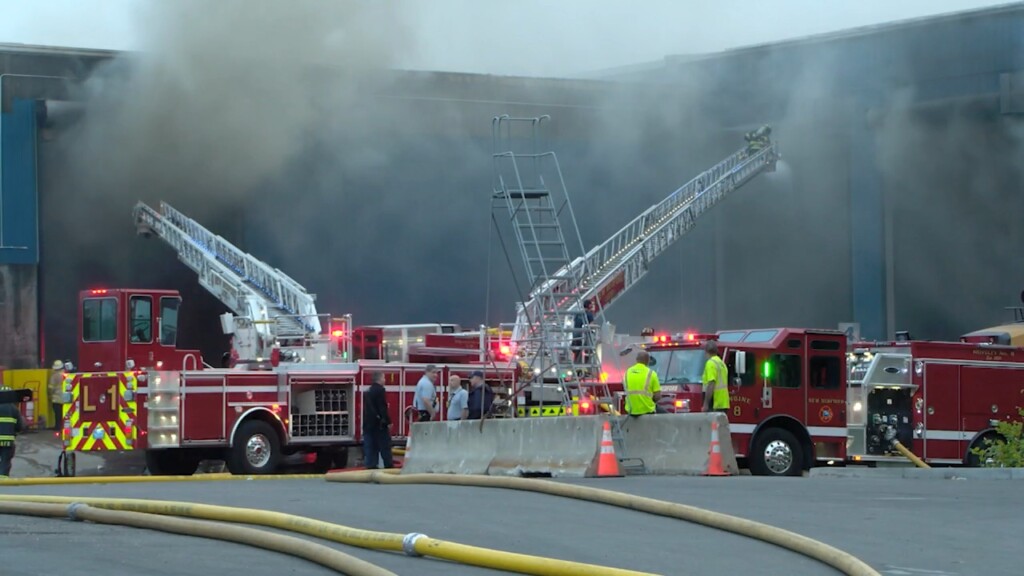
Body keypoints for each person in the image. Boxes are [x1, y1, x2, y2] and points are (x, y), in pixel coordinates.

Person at [361, 372, 393, 469]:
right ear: (379, 379)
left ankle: (371, 465)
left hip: (368, 424)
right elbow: (382, 408)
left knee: (370, 446)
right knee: (384, 446)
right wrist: (388, 421)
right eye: (384, 378)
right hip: (379, 425)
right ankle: (388, 465)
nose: (385, 380)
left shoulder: (368, 391)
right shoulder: (380, 390)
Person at [623, 350, 663, 416]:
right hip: (647, 410)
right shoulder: (651, 373)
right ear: (648, 361)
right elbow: (657, 397)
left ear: (636, 360)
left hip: (631, 411)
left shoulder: (627, 372)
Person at [0, 386, 26, 477]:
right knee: (5, 462)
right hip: (8, 442)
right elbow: (20, 427)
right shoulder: (14, 409)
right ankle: (3, 480)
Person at [702, 341, 731, 414]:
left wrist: (706, 404)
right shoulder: (721, 363)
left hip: (714, 402)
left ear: (706, 352)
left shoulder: (710, 363)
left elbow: (711, 383)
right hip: (723, 402)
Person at [572, 300, 596, 364]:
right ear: (589, 305)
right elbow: (592, 325)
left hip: (575, 335)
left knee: (576, 352)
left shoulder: (578, 313)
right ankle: (584, 364)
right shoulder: (589, 314)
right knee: (587, 351)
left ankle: (575, 364)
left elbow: (574, 322)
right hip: (583, 336)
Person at [47, 360, 64, 430]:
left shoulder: (54, 376)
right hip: (66, 398)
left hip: (56, 398)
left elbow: (50, 388)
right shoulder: (66, 375)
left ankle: (58, 427)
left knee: (57, 414)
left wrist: (49, 395)